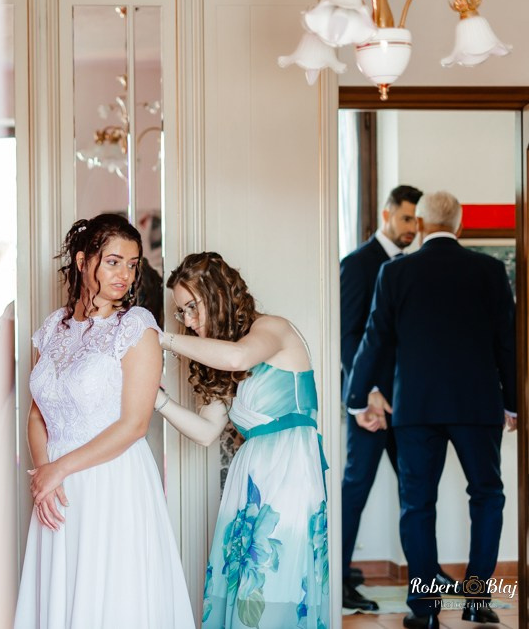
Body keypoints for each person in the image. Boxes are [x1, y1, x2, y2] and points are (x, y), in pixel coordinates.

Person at [345, 191, 517, 629]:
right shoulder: (490, 271)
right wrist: (514, 404)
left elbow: (374, 338)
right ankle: (477, 600)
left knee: (417, 504)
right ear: (459, 227)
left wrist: (356, 397)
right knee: (487, 496)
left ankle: (423, 611)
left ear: (419, 225)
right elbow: (508, 344)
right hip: (478, 405)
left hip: (416, 408)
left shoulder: (395, 272)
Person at [13, 213, 195, 629]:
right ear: (82, 261)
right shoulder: (51, 329)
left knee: (110, 596)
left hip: (111, 480)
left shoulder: (135, 328)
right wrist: (44, 474)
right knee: (62, 593)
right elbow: (38, 412)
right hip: (56, 489)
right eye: (113, 261)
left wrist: (58, 469)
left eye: (132, 265)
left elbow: (134, 424)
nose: (125, 275)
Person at [156, 252, 329, 629]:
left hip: (290, 469)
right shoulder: (220, 360)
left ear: (217, 294)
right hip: (251, 475)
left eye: (191, 307)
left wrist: (163, 340)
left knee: (276, 581)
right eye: (181, 312)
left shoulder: (273, 329)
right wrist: (159, 401)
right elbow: (205, 431)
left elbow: (238, 356)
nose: (188, 320)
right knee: (243, 583)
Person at [340, 185, 454, 610]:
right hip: (370, 404)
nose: (412, 228)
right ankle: (340, 579)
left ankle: (428, 573)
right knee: (356, 487)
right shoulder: (357, 264)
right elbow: (349, 335)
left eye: (416, 221)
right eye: (406, 219)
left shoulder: (414, 266)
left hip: (409, 401)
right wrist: (367, 392)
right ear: (387, 214)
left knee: (418, 489)